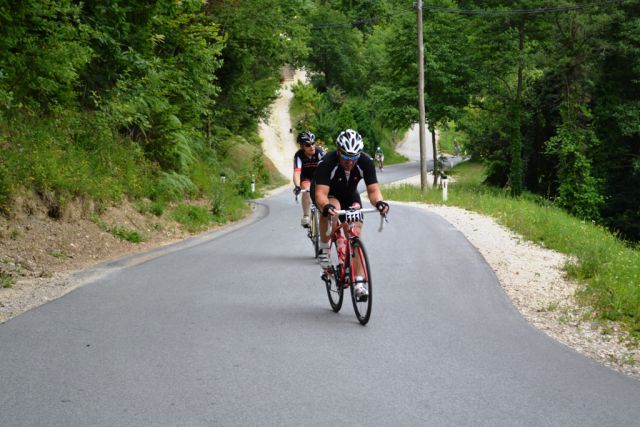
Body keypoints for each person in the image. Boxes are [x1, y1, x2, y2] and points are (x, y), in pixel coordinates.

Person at [312, 129, 389, 302]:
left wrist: (379, 203)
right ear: (338, 151)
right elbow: (320, 195)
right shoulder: (327, 162)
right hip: (326, 193)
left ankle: (359, 284)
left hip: (349, 194)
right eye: (346, 158)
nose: (350, 162)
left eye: (354, 158)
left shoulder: (365, 161)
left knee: (355, 229)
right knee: (333, 211)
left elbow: (374, 190)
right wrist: (326, 206)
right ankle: (324, 248)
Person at [293, 131, 325, 227]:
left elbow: (328, 168)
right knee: (306, 189)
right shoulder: (299, 155)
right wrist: (297, 186)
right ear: (302, 147)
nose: (312, 147)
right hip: (306, 177)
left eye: (313, 143)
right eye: (308, 145)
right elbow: (297, 172)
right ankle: (306, 216)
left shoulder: (319, 152)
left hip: (318, 176)